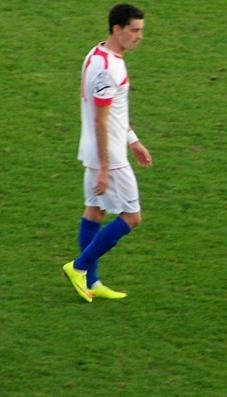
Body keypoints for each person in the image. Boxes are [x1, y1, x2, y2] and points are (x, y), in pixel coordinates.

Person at [62, 3, 152, 303]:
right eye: (134, 30)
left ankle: (92, 280)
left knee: (95, 212)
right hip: (108, 156)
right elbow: (101, 118)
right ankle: (79, 267)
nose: (139, 37)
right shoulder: (108, 67)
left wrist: (133, 140)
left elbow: (111, 113)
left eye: (141, 30)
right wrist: (104, 167)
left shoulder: (99, 55)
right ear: (117, 29)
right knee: (132, 216)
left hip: (100, 148)